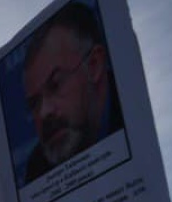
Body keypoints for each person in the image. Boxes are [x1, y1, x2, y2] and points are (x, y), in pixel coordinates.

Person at [22, 1, 123, 184]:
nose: (44, 112)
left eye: (55, 85)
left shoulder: (131, 108)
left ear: (94, 66)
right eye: (35, 103)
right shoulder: (37, 168)